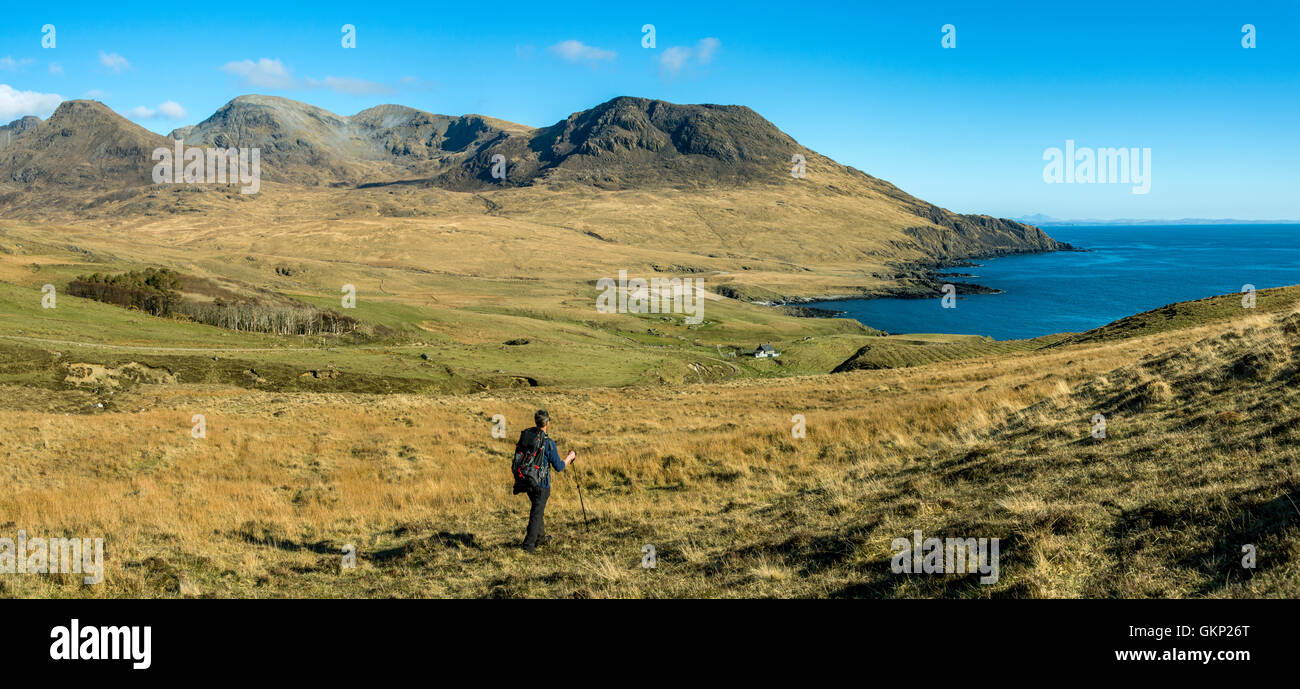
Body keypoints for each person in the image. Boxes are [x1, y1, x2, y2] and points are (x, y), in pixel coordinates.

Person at [514, 409, 576, 553]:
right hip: (541, 484)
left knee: (537, 509)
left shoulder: (528, 437)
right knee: (536, 513)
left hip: (527, 479)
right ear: (547, 423)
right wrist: (570, 457)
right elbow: (559, 467)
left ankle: (540, 538)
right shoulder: (548, 443)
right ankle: (528, 546)